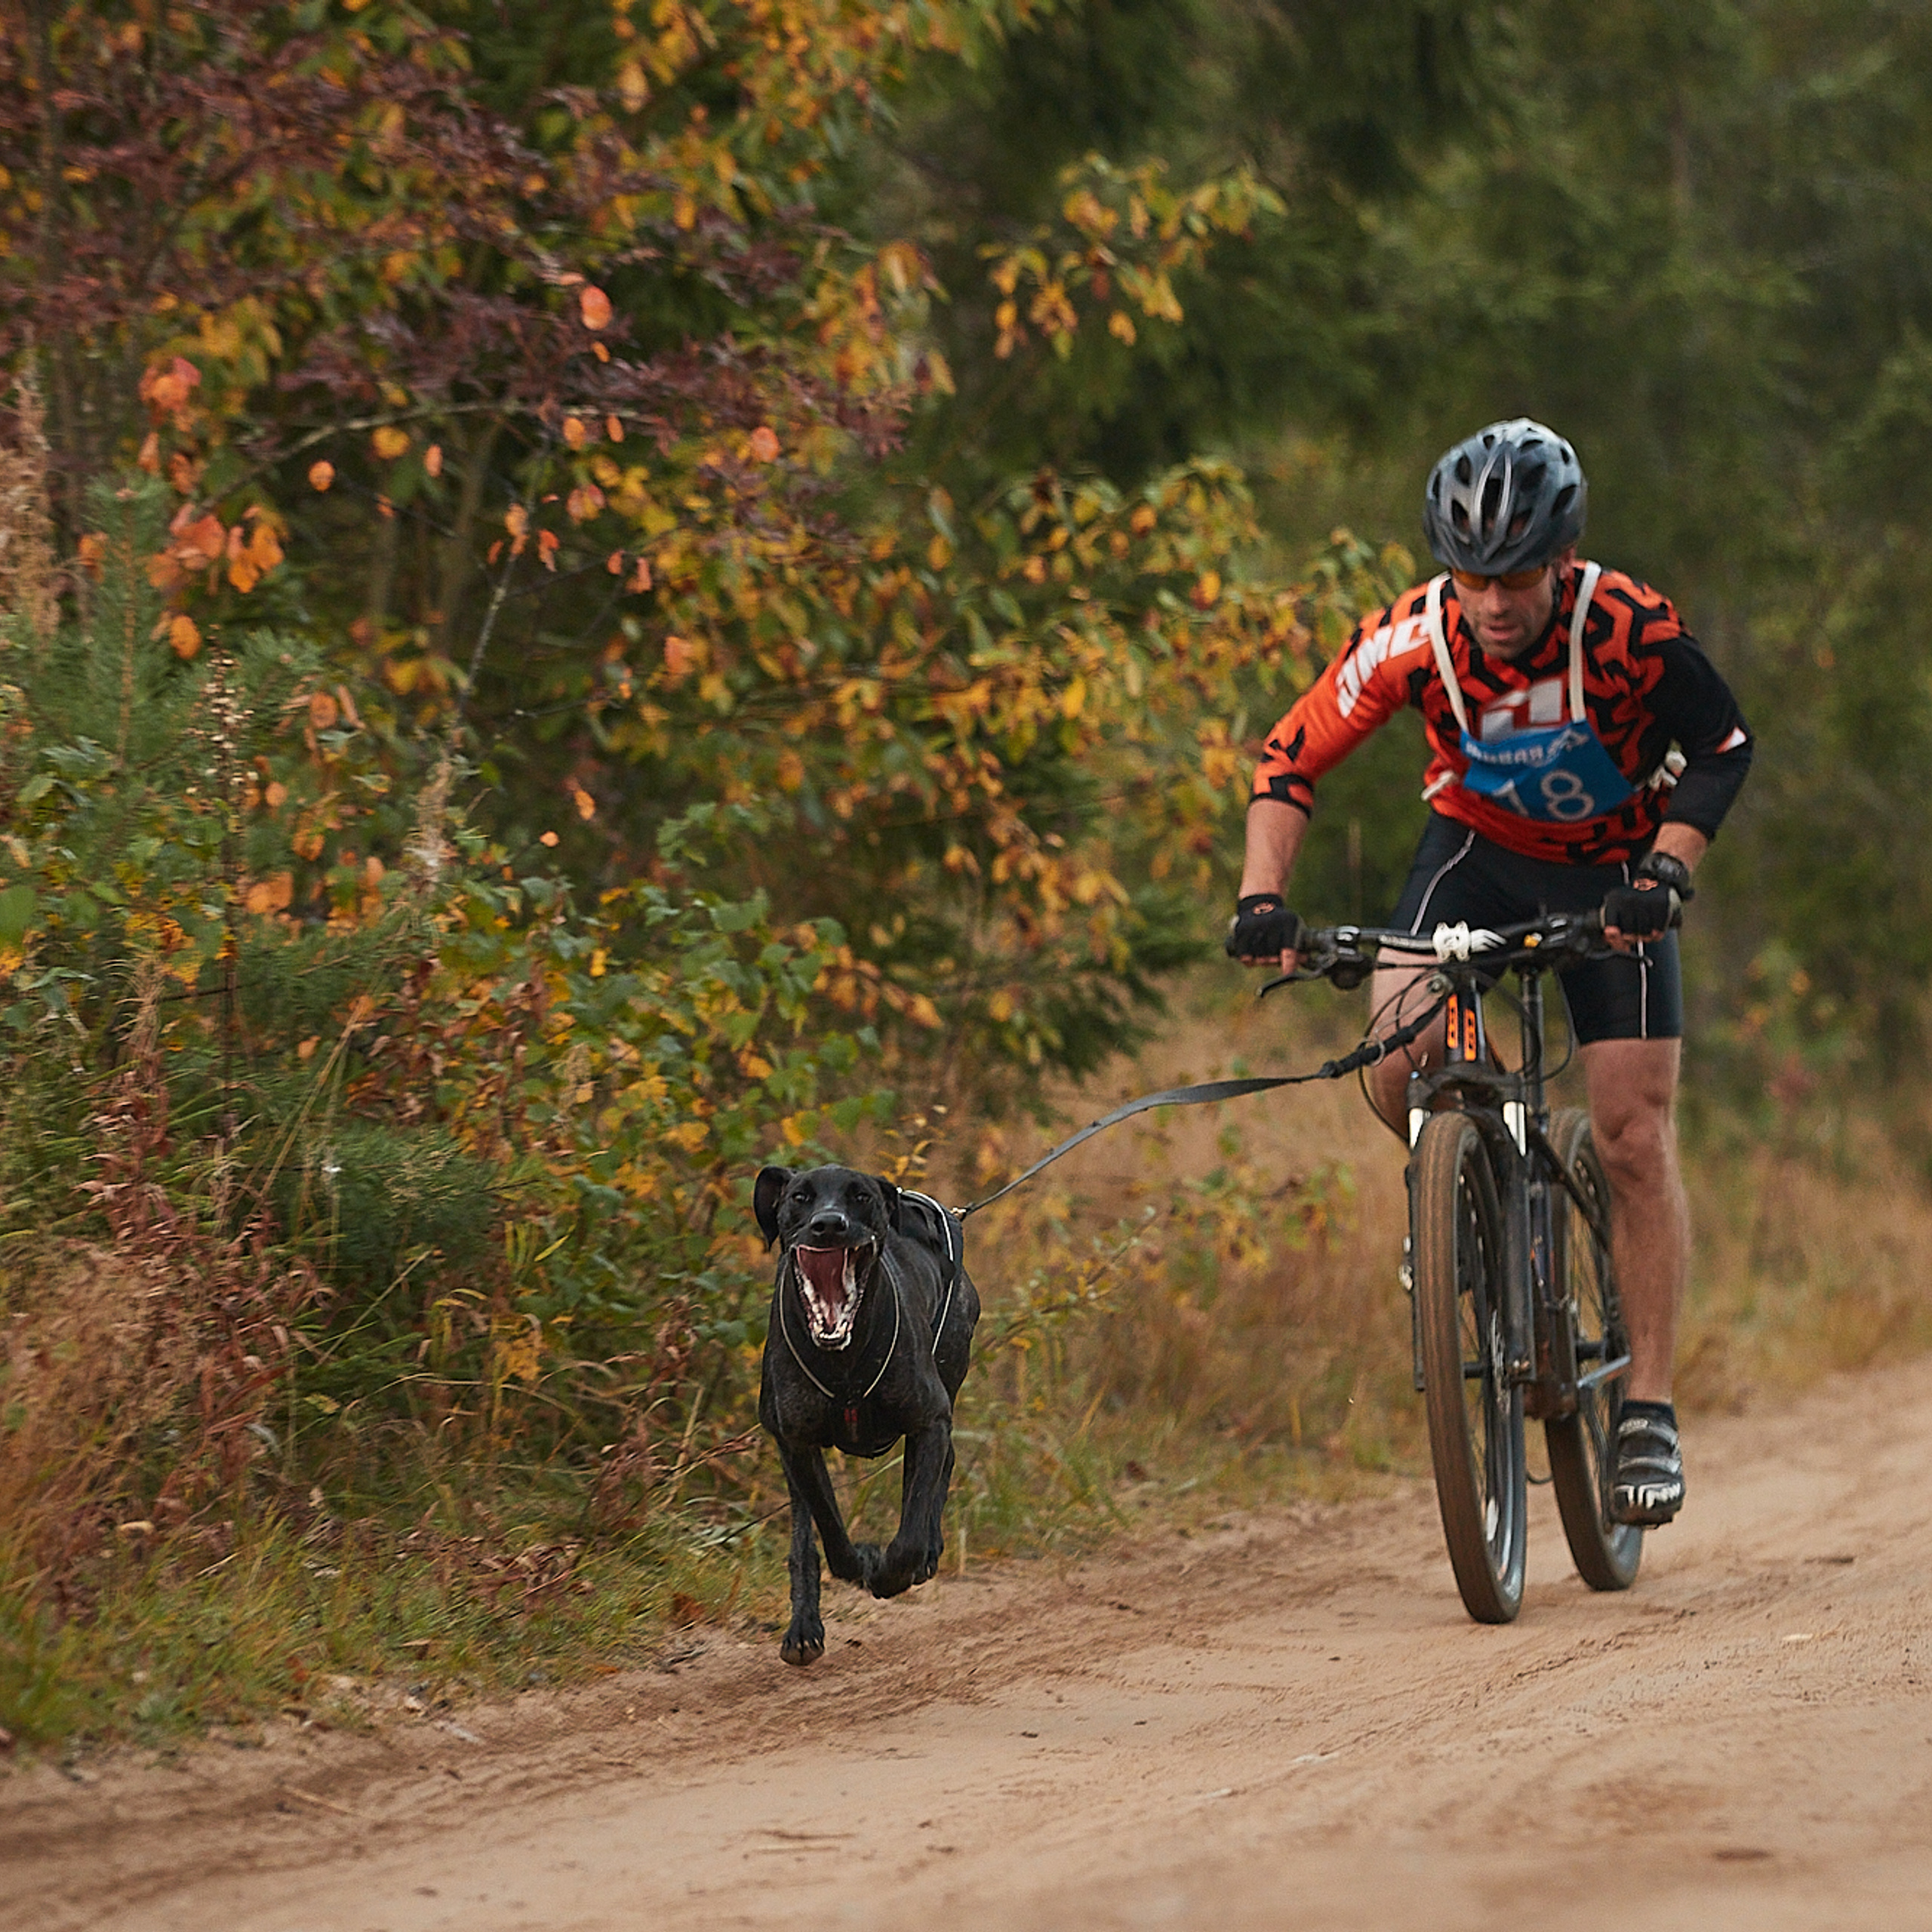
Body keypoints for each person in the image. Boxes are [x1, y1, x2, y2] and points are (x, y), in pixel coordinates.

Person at [1227, 418, 1752, 1526]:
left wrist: (1666, 868)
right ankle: (1482, 1176)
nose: (1496, 603)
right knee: (1391, 1056)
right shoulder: (1415, 639)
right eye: (1474, 577)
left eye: (1516, 577)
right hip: (1474, 855)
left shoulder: (1629, 630)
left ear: (1562, 561)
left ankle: (1647, 1407)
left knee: (1629, 1133)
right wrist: (1261, 899)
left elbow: (1723, 745)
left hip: (1615, 876)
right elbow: (1290, 755)